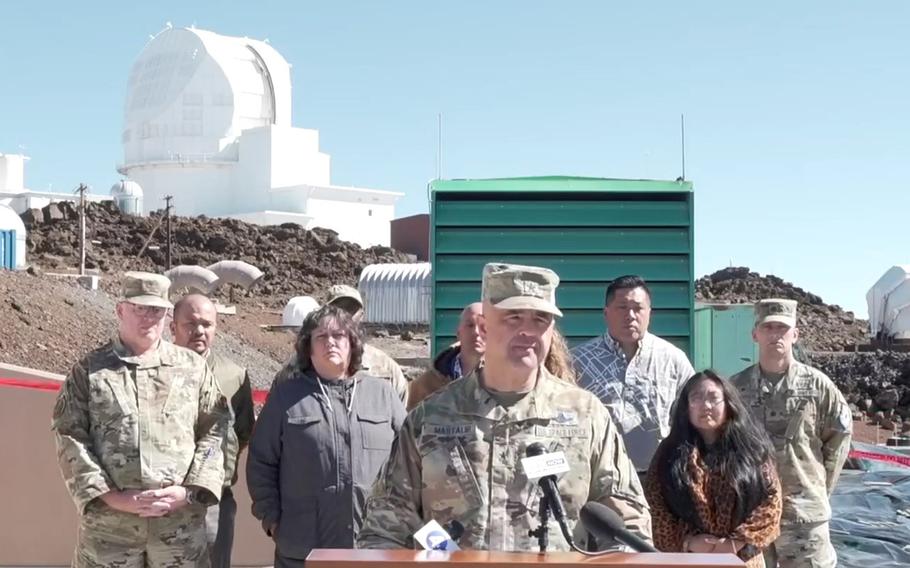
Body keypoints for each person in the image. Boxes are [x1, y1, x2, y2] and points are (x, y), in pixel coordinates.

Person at [357, 263, 651, 551]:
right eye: (513, 317)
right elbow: (386, 527)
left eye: (540, 319)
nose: (528, 331)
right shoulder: (431, 417)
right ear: (484, 325)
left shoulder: (586, 417)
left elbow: (628, 522)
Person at [52, 272, 229, 568]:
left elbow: (216, 430)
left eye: (157, 310)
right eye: (140, 308)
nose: (149, 317)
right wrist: (110, 496)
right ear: (120, 309)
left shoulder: (192, 367)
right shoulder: (89, 370)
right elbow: (69, 435)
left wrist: (189, 491)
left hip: (178, 528)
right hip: (111, 531)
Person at [247, 304, 406, 568]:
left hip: (373, 545)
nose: (330, 342)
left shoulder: (383, 394)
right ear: (308, 347)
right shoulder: (286, 397)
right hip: (304, 548)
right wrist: (272, 519)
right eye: (321, 336)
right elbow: (261, 461)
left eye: (339, 335)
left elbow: (411, 462)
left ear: (352, 343)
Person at [730, 299, 852, 568]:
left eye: (782, 328)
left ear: (795, 334)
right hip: (751, 516)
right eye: (768, 327)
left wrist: (817, 488)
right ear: (755, 334)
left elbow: (838, 440)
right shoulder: (736, 389)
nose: (775, 334)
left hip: (803, 517)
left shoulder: (819, 387)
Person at [646, 371, 782, 568]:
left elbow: (772, 501)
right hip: (688, 559)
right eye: (696, 398)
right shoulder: (668, 453)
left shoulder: (751, 449)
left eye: (713, 398)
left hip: (743, 559)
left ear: (728, 403)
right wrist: (690, 541)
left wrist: (735, 542)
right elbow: (655, 506)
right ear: (686, 407)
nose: (706, 405)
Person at [572, 274, 695, 472]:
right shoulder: (577, 361)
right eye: (622, 307)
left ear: (649, 313)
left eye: (638, 308)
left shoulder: (672, 359)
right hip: (599, 476)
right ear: (606, 313)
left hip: (660, 475)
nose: (630, 315)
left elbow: (692, 416)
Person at [170, 294, 255, 568]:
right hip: (163, 500)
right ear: (173, 327)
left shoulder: (235, 376)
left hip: (212, 503)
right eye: (190, 324)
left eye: (207, 324)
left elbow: (241, 433)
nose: (199, 331)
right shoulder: (155, 369)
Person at [274, 284, 409, 405]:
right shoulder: (297, 366)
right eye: (338, 310)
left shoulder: (385, 368)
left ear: (362, 315)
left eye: (352, 310)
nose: (345, 317)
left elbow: (402, 423)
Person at [408, 302, 484, 409]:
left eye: (483, 326)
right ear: (458, 333)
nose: (476, 332)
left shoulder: (507, 380)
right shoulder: (425, 384)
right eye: (470, 325)